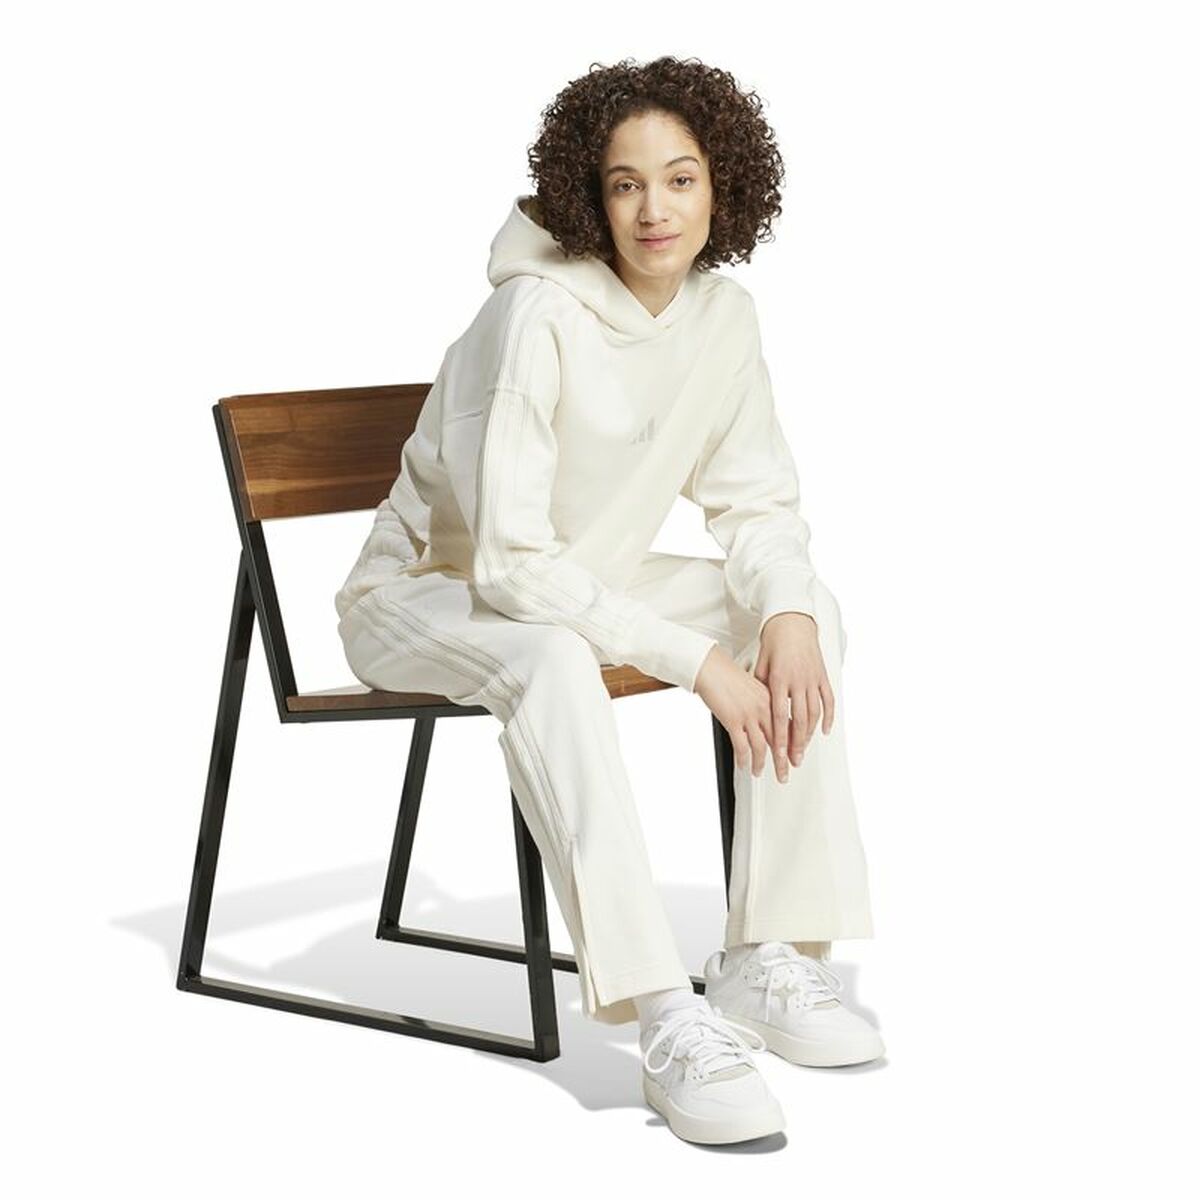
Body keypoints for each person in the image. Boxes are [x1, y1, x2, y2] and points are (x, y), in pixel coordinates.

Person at [335, 55, 884, 1145]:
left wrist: (778, 617)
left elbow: (757, 503)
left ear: (723, 185)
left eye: (680, 179)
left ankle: (768, 952)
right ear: (591, 195)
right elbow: (507, 566)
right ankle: (665, 1013)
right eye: (625, 184)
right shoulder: (534, 313)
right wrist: (697, 664)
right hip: (427, 593)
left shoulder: (723, 318)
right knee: (549, 657)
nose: (654, 210)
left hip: (577, 576)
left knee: (802, 609)